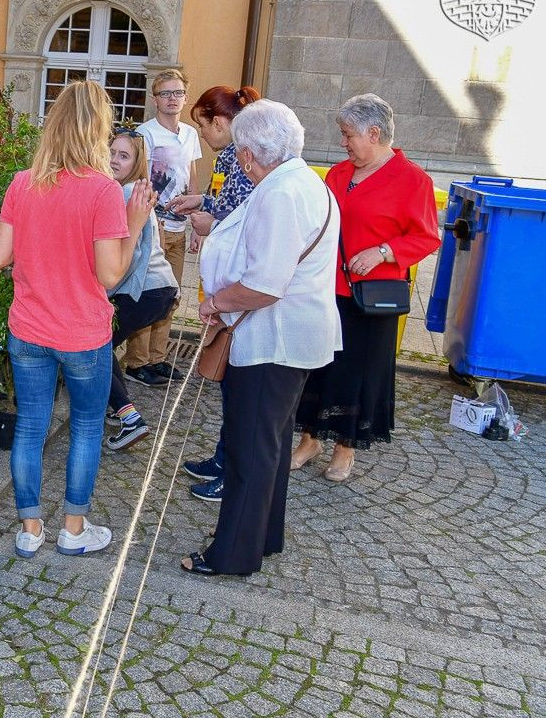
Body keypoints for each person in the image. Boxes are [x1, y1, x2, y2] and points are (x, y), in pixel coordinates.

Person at [0, 81, 157, 559]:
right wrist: (136, 222)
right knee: (85, 426)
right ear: (97, 130)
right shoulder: (104, 191)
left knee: (29, 426)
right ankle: (73, 530)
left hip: (28, 329)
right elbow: (109, 274)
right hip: (82, 332)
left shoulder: (24, 182)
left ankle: (30, 530)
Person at [181, 99, 340, 577]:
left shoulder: (279, 192)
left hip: (274, 340)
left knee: (252, 448)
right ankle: (263, 533)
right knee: (267, 444)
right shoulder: (300, 180)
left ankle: (233, 554)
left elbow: (265, 285)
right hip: (288, 338)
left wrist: (215, 301)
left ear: (249, 154)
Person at [292, 94, 440, 482]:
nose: (344, 142)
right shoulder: (339, 174)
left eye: (348, 135)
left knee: (358, 374)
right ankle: (311, 438)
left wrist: (384, 251)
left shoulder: (414, 180)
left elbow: (427, 237)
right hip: (328, 287)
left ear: (374, 134)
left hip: (373, 296)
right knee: (321, 365)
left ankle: (345, 448)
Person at [167, 85, 261, 503]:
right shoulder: (230, 156)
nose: (202, 136)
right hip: (228, 279)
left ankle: (232, 466)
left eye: (203, 127)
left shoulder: (244, 156)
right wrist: (202, 200)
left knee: (236, 382)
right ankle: (224, 457)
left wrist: (210, 222)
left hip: (239, 284)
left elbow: (244, 218)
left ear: (220, 122)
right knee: (228, 380)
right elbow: (229, 201)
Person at [121, 68, 202, 387]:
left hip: (180, 225)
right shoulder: (146, 133)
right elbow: (138, 176)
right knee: (146, 291)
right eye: (165, 93)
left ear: (185, 96)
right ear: (155, 99)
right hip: (152, 225)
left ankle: (157, 358)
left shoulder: (190, 134)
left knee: (170, 295)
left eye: (178, 93)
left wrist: (197, 219)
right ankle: (136, 361)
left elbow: (192, 175)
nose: (172, 99)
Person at [105, 126, 179, 452]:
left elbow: (130, 253)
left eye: (123, 155)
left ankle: (129, 418)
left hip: (146, 289)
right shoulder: (137, 190)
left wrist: (105, 291)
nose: (114, 160)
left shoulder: (125, 193)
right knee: (103, 348)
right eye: (111, 152)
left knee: (94, 348)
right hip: (160, 289)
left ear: (137, 162)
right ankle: (116, 407)